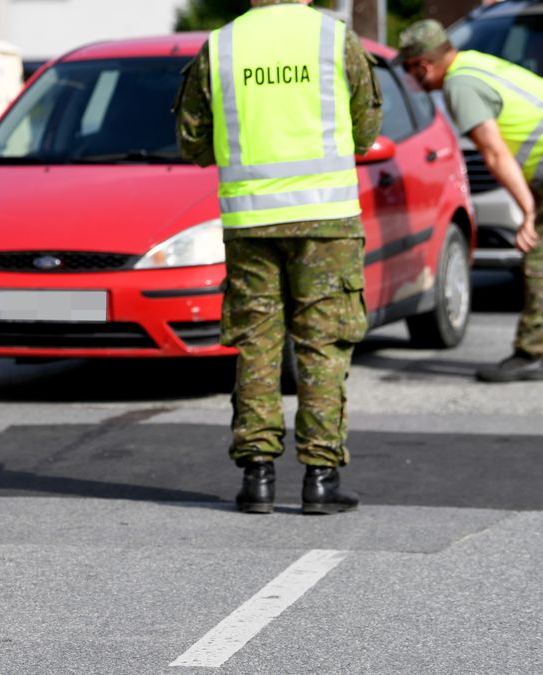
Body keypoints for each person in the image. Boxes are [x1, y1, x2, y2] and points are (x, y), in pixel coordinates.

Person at [174, 0, 382, 515]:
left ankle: (257, 477)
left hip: (250, 222)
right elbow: (367, 131)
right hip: (325, 221)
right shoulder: (334, 39)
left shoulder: (220, 46)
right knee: (322, 346)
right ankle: (319, 477)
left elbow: (192, 141)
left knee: (257, 346)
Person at [399, 19, 543, 383]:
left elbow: (493, 153)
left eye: (411, 73)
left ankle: (532, 353)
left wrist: (527, 212)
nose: (415, 83)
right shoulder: (474, 61)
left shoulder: (460, 85)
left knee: (538, 262)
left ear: (424, 65)